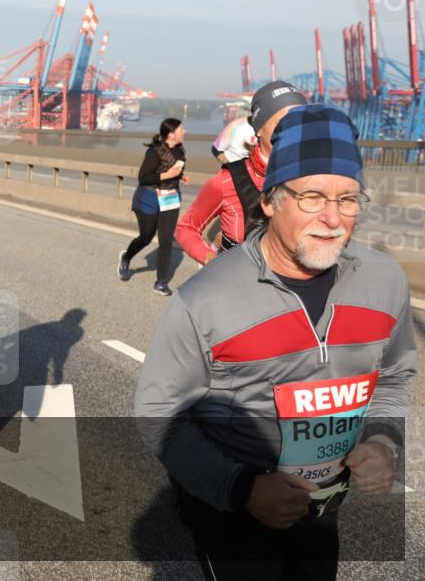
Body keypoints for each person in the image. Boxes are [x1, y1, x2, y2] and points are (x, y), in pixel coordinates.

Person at [135, 105, 415, 581]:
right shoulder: (205, 299)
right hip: (234, 514)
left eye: (348, 199)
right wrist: (243, 488)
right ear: (269, 200)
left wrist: (383, 439)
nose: (332, 219)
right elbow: (159, 413)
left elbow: (394, 374)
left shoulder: (385, 280)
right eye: (311, 197)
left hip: (324, 508)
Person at [176, 81, 308, 266]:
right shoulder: (226, 181)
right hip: (240, 288)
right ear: (259, 128)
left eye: (303, 122)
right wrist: (212, 261)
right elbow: (186, 229)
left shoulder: (316, 176)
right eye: (283, 121)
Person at [117, 118, 188, 296]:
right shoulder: (154, 152)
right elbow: (144, 177)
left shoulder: (180, 150)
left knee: (165, 241)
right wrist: (167, 175)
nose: (184, 132)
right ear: (171, 134)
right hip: (149, 197)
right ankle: (126, 257)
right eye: (181, 129)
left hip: (170, 198)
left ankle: (161, 282)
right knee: (146, 236)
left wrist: (180, 177)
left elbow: (174, 170)